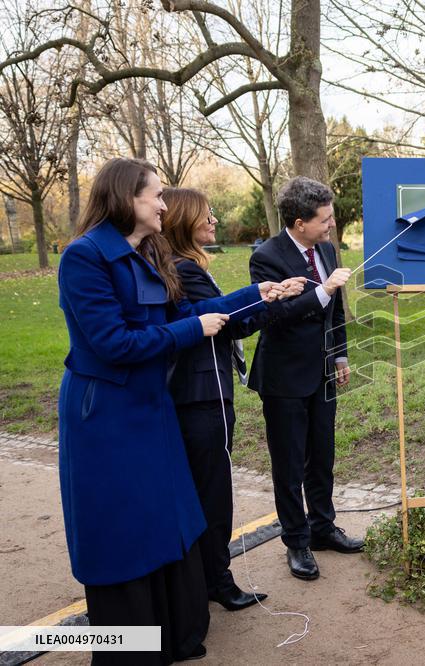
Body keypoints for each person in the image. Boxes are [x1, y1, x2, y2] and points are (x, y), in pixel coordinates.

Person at [56, 158, 287, 664]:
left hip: (151, 407)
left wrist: (256, 295)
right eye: (155, 195)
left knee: (166, 519)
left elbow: (181, 313)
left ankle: (175, 636)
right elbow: (113, 342)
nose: (164, 204)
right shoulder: (84, 258)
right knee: (123, 530)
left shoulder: (146, 251)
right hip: (107, 416)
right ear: (124, 199)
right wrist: (191, 331)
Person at [161, 188, 305, 611]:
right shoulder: (181, 269)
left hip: (208, 390)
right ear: (185, 220)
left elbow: (230, 326)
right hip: (200, 394)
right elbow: (205, 320)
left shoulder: (191, 266)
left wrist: (272, 299)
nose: (214, 221)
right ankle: (217, 581)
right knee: (213, 494)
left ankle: (210, 577)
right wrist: (257, 292)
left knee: (210, 491)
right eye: (207, 214)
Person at [248, 176, 363, 581]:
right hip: (283, 377)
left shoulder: (327, 250)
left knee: (322, 455)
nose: (331, 225)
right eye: (324, 220)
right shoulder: (266, 257)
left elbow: (336, 310)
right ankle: (296, 542)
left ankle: (322, 528)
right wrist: (323, 291)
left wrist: (340, 354)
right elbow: (274, 316)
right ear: (299, 223)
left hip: (322, 372)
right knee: (289, 462)